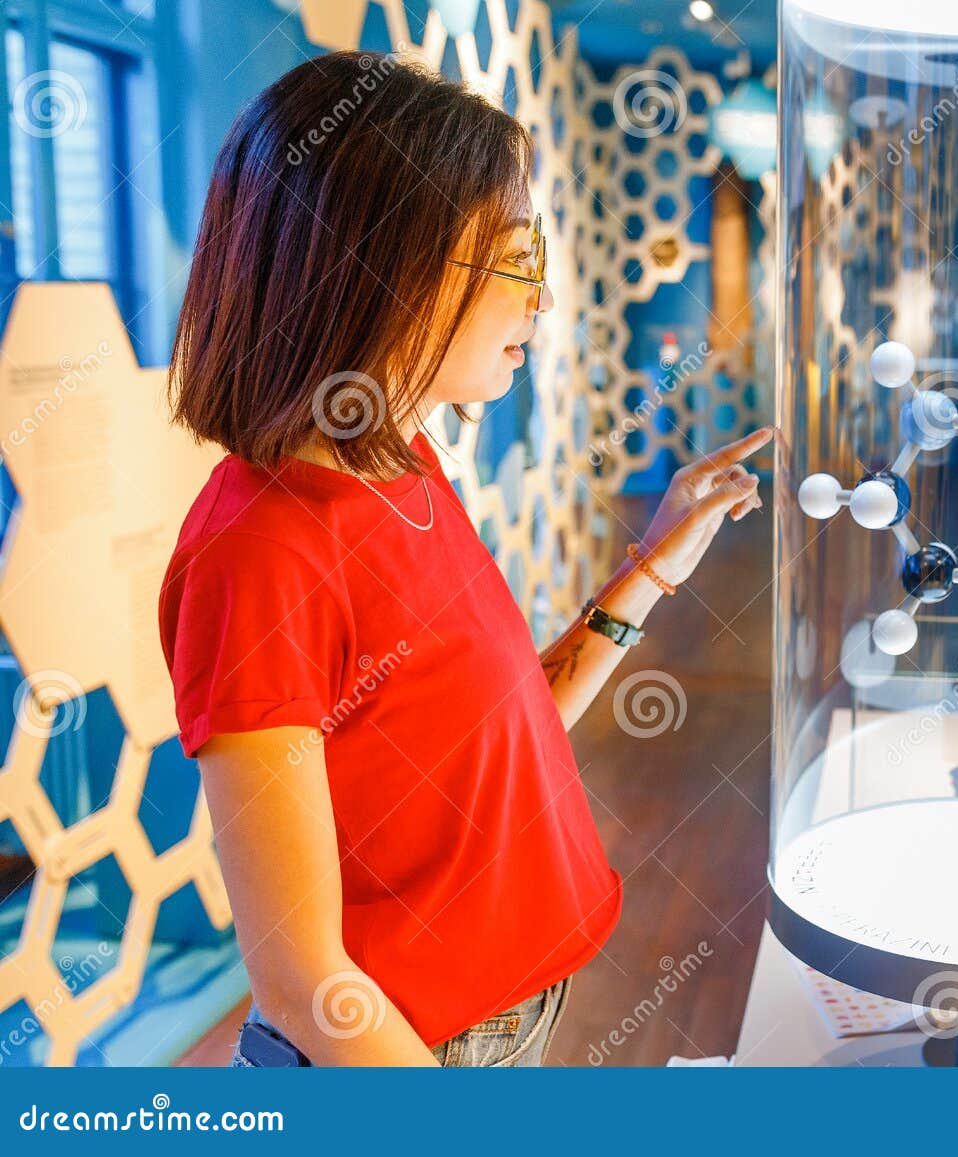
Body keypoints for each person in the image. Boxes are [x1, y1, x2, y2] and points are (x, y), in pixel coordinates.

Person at [158, 51, 770, 1067]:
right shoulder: (258, 552)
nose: (540, 302)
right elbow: (308, 983)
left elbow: (492, 739)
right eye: (514, 260)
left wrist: (650, 566)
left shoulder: (403, 464)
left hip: (507, 1019)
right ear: (385, 265)